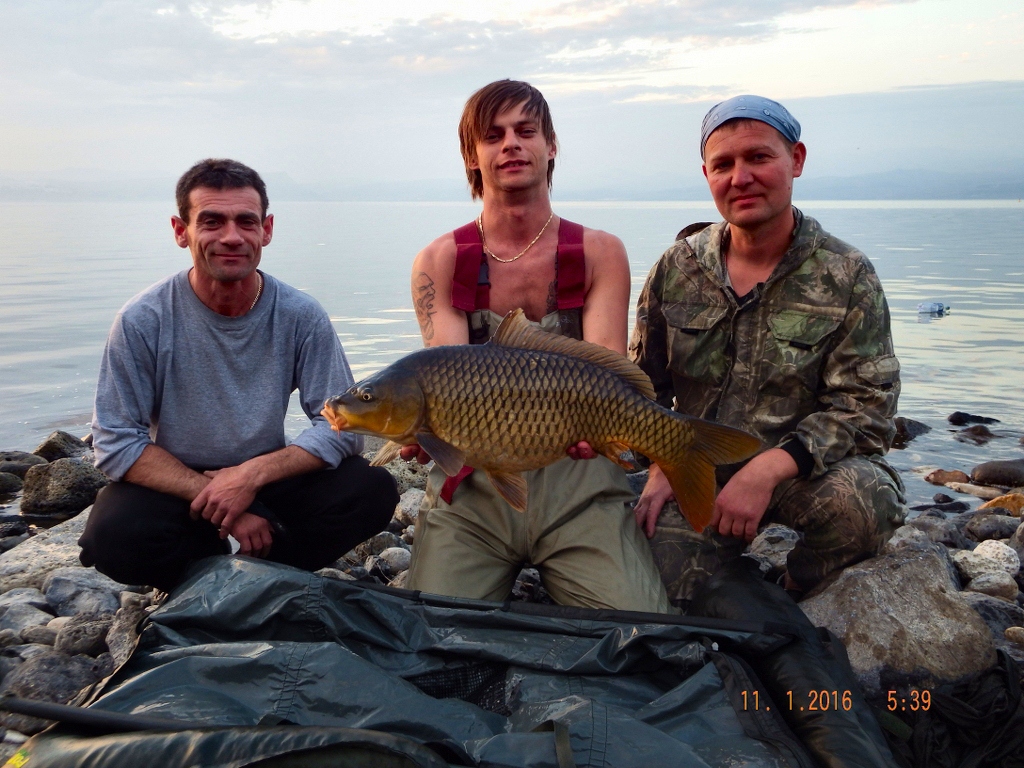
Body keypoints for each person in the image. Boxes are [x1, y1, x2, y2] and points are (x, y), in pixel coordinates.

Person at [401, 79, 671, 612]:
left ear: (551, 146)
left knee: (642, 637)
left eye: (526, 131)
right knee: (432, 640)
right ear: (472, 157)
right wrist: (416, 432)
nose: (511, 145)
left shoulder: (599, 251)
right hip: (473, 484)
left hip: (580, 478)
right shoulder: (440, 261)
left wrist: (634, 441)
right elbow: (447, 387)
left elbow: (608, 374)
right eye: (493, 136)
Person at [630, 95, 905, 602]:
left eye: (759, 157)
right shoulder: (677, 268)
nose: (741, 177)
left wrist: (768, 468)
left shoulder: (846, 274)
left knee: (864, 506)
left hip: (798, 472)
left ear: (795, 160)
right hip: (695, 466)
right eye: (724, 165)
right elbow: (639, 388)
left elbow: (868, 408)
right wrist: (662, 462)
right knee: (657, 575)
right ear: (707, 175)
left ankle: (797, 584)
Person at [80, 159, 398, 591]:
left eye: (246, 222)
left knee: (371, 489)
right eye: (212, 221)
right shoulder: (143, 319)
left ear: (266, 230)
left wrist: (249, 477)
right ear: (181, 231)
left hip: (269, 481)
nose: (232, 236)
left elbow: (343, 424)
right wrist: (216, 496)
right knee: (111, 537)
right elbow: (116, 440)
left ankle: (268, 578)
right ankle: (206, 580)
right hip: (178, 488)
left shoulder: (300, 315)